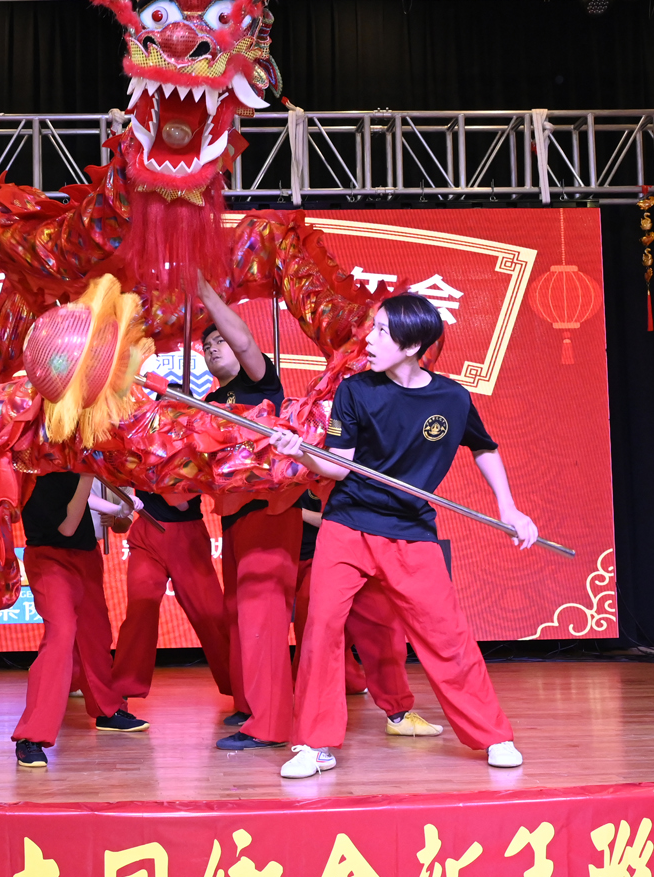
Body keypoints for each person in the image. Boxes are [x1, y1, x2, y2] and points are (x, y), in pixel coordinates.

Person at [268, 294, 538, 778]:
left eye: (382, 332)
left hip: (411, 531)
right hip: (348, 525)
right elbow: (338, 466)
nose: (369, 340)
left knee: (447, 636)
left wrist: (509, 507)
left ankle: (493, 735)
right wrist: (302, 452)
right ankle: (314, 743)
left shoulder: (452, 399)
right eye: (372, 328)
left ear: (413, 346)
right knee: (322, 629)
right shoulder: (355, 391)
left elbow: (484, 448)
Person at [191, 276, 304, 753]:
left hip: (270, 513)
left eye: (220, 339)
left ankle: (270, 724)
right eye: (207, 345)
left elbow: (242, 341)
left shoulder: (261, 383)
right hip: (234, 518)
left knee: (262, 616)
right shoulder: (208, 404)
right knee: (238, 614)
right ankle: (249, 704)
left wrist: (205, 293)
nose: (214, 347)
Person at [12, 470, 149, 770]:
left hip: (86, 555)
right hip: (49, 559)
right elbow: (68, 526)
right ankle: (31, 735)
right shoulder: (32, 471)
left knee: (96, 635)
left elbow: (86, 500)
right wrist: (88, 476)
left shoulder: (72, 462)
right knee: (61, 636)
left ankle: (106, 709)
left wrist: (119, 507)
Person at [292, 494, 442, 737]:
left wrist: (297, 514)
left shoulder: (345, 476)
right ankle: (309, 725)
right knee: (314, 637)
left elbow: (340, 515)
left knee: (382, 629)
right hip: (294, 554)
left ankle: (398, 713)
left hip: (341, 550)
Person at [109, 480, 235, 708]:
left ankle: (240, 688)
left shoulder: (191, 457)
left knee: (211, 615)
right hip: (147, 531)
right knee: (140, 611)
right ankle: (120, 690)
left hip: (188, 537)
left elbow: (181, 504)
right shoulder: (137, 458)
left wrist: (162, 479)